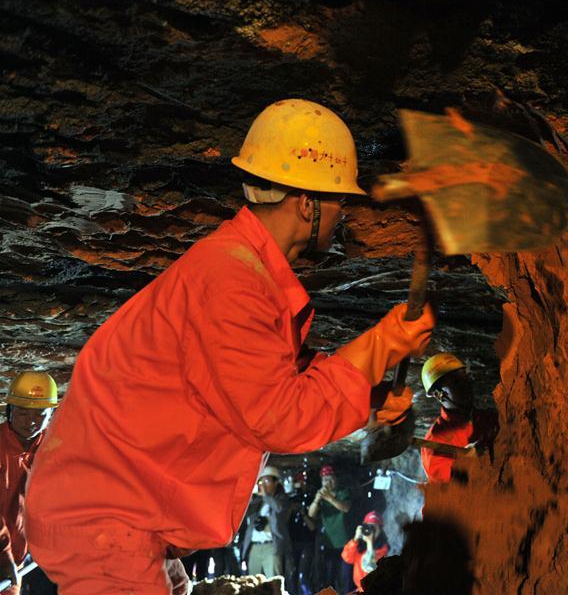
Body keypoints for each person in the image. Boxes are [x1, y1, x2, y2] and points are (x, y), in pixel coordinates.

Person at [24, 99, 434, 595]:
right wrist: (383, 346)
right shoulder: (231, 281)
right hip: (105, 520)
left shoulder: (242, 272)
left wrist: (367, 397)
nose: (341, 215)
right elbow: (277, 416)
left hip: (124, 519)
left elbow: (266, 383)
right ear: (307, 204)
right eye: (337, 202)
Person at [0, 372, 57, 595]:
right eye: (23, 413)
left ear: (51, 414)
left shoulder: (54, 449)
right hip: (5, 555)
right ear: (10, 410)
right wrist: (5, 556)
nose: (31, 421)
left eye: (40, 414)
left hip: (17, 555)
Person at [419, 353, 499, 483]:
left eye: (465, 377)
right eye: (456, 382)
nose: (466, 384)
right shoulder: (435, 442)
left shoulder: (489, 417)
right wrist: (468, 460)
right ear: (438, 395)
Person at [240, 466, 291, 578]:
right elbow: (245, 513)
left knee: (273, 581)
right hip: (254, 546)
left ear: (276, 482)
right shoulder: (257, 501)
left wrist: (266, 496)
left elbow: (279, 509)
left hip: (271, 546)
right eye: (260, 481)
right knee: (253, 582)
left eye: (267, 481)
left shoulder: (282, 499)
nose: (263, 485)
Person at [308, 465, 350, 593]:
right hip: (328, 542)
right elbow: (311, 514)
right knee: (328, 575)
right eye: (324, 480)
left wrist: (329, 498)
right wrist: (316, 500)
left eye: (330, 479)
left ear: (335, 479)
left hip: (344, 542)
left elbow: (345, 508)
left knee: (344, 576)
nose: (327, 483)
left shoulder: (343, 492)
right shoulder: (321, 495)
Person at [341, 511, 389, 593]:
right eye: (369, 527)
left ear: (380, 530)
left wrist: (370, 543)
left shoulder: (382, 548)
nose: (371, 531)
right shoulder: (359, 544)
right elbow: (347, 558)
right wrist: (355, 539)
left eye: (374, 528)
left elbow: (370, 567)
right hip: (358, 587)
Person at [287, 469, 317, 595]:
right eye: (298, 482)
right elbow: (283, 522)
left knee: (303, 575)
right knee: (291, 574)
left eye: (303, 482)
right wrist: (291, 509)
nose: (301, 485)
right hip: (292, 542)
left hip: (307, 542)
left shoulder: (311, 499)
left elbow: (313, 526)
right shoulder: (290, 499)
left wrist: (303, 513)